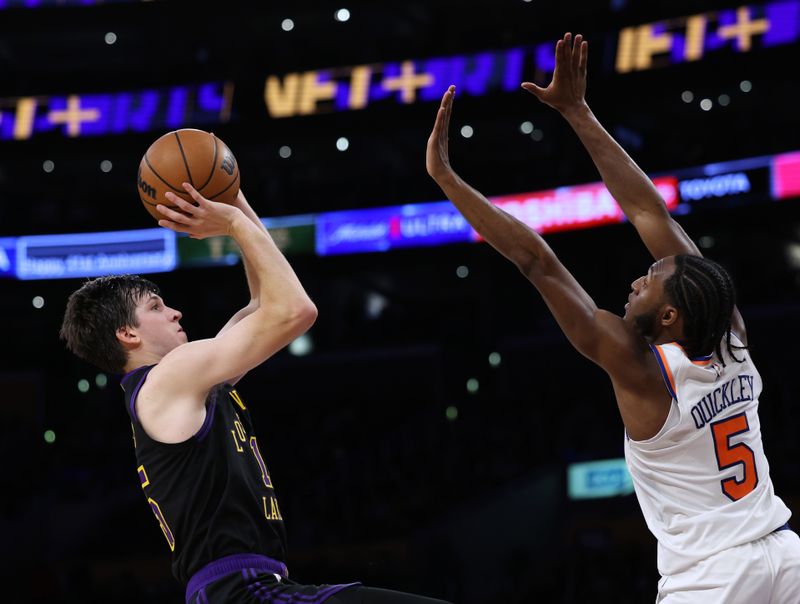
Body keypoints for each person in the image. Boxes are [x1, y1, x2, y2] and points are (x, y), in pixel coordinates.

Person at [426, 32, 799, 603]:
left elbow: (536, 261)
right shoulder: (730, 333)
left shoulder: (642, 371)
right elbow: (648, 209)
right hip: (782, 554)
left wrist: (449, 181)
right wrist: (577, 111)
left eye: (648, 280)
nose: (636, 279)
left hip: (712, 581)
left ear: (670, 315)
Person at [60, 184, 452, 604]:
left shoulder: (184, 383)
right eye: (156, 306)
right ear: (127, 333)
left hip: (246, 589)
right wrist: (231, 222)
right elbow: (296, 311)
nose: (174, 311)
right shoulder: (169, 377)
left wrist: (235, 198)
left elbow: (265, 300)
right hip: (242, 591)